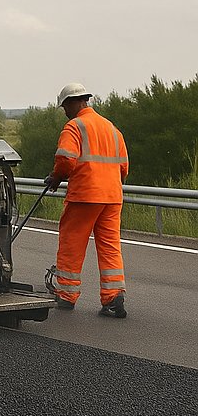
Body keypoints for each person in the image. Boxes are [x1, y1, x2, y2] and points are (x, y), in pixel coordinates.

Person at [43, 83, 129, 318]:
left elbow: (66, 159)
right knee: (110, 246)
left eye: (64, 107)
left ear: (73, 102)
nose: (65, 112)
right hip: (112, 197)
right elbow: (123, 167)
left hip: (85, 195)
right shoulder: (111, 129)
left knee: (72, 242)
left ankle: (66, 295)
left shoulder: (74, 127)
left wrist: (56, 177)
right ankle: (113, 298)